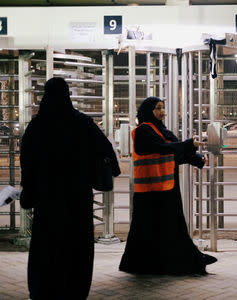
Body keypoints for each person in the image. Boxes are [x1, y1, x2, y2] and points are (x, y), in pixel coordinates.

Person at [19, 77, 120, 300]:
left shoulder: (38, 125)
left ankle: (44, 289)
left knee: (47, 246)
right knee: (78, 246)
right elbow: (106, 151)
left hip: (47, 199)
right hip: (77, 198)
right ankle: (75, 288)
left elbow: (27, 160)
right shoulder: (82, 122)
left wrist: (28, 190)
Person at [119, 96, 217, 275]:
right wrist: (189, 144)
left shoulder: (161, 130)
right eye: (157, 108)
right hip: (149, 192)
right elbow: (163, 148)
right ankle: (150, 263)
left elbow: (174, 153)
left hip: (166, 187)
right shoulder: (143, 131)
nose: (162, 112)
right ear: (148, 111)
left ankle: (188, 259)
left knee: (172, 225)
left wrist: (198, 159)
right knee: (148, 229)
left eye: (163, 108)